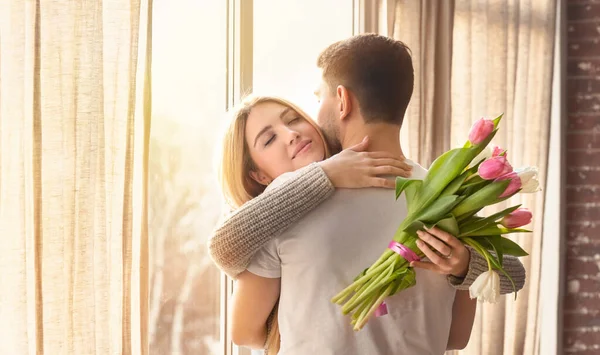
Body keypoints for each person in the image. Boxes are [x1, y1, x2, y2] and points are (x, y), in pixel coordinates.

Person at [209, 36, 526, 354]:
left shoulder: (285, 201)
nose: (296, 131)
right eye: (269, 139)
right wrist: (466, 266)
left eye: (317, 100)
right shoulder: (446, 200)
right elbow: (456, 337)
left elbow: (244, 330)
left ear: (342, 101)